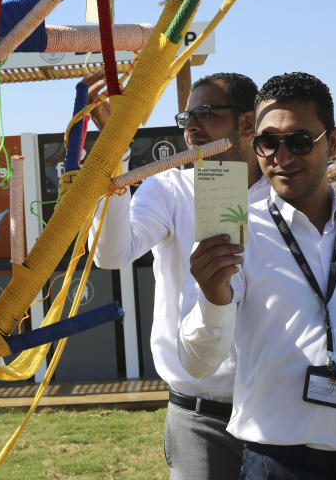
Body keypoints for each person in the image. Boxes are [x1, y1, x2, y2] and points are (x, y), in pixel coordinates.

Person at [178, 72, 336, 480]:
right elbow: (200, 363)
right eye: (267, 142)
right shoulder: (234, 233)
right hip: (275, 463)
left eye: (300, 141)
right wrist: (213, 298)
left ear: (332, 143)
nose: (282, 157)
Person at [84, 70, 267, 480]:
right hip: (200, 415)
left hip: (276, 410)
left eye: (205, 114)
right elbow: (111, 254)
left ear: (248, 123)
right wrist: (115, 155)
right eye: (186, 119)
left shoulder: (282, 193)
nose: (193, 129)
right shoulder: (168, 188)